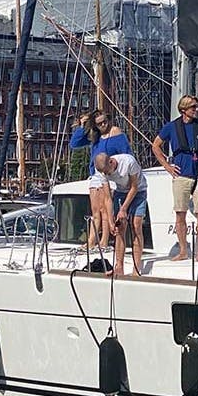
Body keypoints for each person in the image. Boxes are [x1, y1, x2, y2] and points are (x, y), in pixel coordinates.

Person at [152, 95, 198, 262]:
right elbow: (155, 145)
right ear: (183, 109)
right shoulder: (171, 127)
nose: (196, 109)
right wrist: (167, 166)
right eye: (193, 107)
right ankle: (183, 250)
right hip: (180, 175)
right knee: (180, 214)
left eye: (196, 107)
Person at [70, 109, 131, 249]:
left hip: (111, 173)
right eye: (99, 123)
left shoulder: (116, 133)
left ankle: (104, 241)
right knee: (95, 209)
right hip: (96, 174)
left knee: (105, 208)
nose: (103, 125)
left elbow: (127, 153)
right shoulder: (95, 136)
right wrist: (82, 125)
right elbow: (74, 143)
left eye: (105, 121)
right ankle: (91, 240)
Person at [95, 151, 148, 277]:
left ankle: (136, 267)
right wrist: (110, 222)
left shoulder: (128, 162)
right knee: (119, 229)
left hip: (138, 191)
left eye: (108, 172)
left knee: (136, 225)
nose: (106, 175)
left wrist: (123, 209)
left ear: (112, 162)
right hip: (120, 191)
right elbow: (107, 198)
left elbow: (134, 187)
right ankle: (119, 266)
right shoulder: (102, 171)